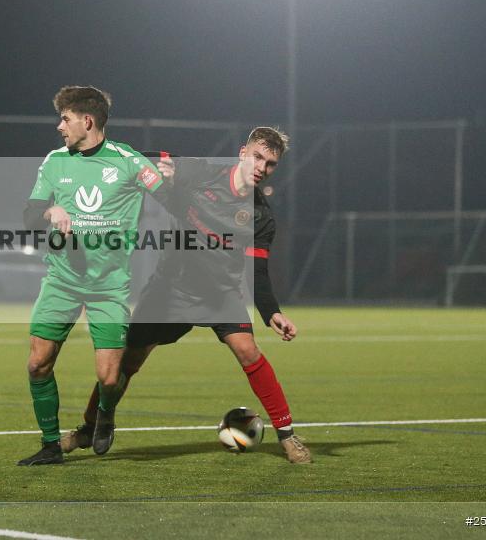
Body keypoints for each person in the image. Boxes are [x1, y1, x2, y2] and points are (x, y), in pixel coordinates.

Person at [61, 127, 312, 464]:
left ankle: (287, 436)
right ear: (242, 153)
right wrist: (163, 167)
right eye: (257, 157)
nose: (261, 167)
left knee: (248, 350)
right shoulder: (203, 173)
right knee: (126, 363)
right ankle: (89, 428)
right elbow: (160, 163)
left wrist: (272, 313)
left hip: (220, 294)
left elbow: (258, 272)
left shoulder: (261, 217)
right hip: (171, 290)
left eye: (270, 164)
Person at [17, 86, 164, 465]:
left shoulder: (129, 161)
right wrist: (50, 212)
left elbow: (174, 197)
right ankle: (51, 445)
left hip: (109, 287)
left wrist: (177, 178)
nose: (59, 126)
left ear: (87, 120)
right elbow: (29, 215)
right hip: (61, 281)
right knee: (37, 364)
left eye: (64, 118)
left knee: (110, 378)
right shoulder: (54, 161)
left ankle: (105, 414)